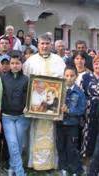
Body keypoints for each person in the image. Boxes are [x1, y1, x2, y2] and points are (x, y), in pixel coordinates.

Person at [23, 33, 66, 170]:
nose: (44, 46)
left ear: (51, 44)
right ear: (38, 45)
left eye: (47, 43)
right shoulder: (30, 61)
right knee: (34, 133)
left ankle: (50, 164)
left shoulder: (59, 61)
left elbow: (63, 82)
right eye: (42, 43)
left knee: (52, 135)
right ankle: (34, 164)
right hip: (35, 105)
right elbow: (26, 82)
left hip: (53, 106)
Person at [0, 50, 30, 176]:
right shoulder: (3, 78)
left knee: (19, 145)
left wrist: (28, 107)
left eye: (17, 63)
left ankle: (11, 166)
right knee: (13, 143)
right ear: (9, 64)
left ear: (21, 64)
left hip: (22, 117)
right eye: (12, 63)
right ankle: (20, 172)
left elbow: (29, 98)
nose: (15, 65)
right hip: (7, 117)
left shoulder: (27, 79)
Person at [57, 66, 86, 176]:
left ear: (76, 76)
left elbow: (81, 109)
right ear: (63, 76)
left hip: (73, 125)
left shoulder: (79, 92)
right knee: (60, 146)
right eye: (67, 75)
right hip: (59, 123)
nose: (69, 78)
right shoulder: (59, 90)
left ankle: (75, 170)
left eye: (72, 76)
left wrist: (69, 110)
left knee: (72, 148)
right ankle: (63, 168)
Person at [81, 56, 99, 163]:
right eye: (96, 64)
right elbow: (81, 92)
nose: (98, 66)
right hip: (89, 109)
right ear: (93, 65)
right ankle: (87, 155)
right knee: (88, 132)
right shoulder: (86, 76)